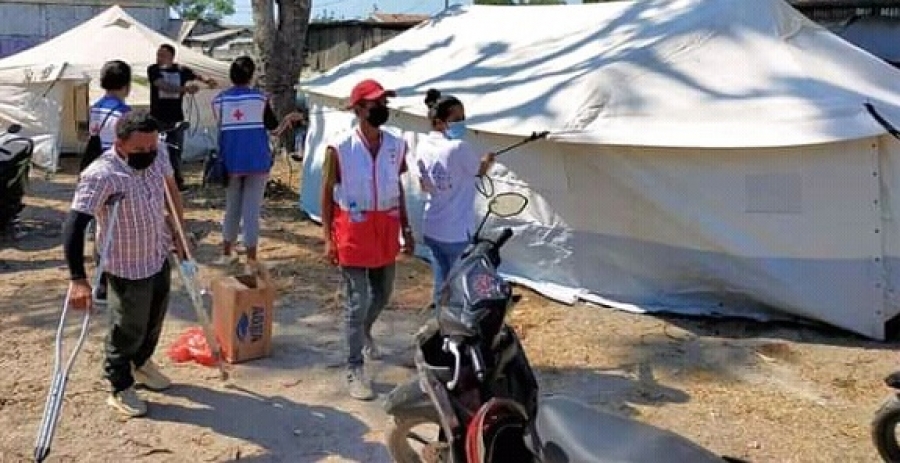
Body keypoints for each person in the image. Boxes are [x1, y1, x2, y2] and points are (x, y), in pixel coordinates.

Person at [62, 110, 186, 418]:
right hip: (124, 263)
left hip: (157, 252)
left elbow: (171, 192)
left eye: (151, 148)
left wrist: (180, 235)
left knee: (155, 316)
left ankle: (141, 363)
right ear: (120, 144)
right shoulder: (101, 174)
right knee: (127, 326)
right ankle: (119, 383)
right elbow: (75, 225)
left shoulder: (158, 157)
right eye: (139, 150)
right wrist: (77, 279)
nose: (147, 155)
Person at [320, 78, 415, 400]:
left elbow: (397, 187)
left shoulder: (395, 145)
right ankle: (354, 366)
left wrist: (407, 227)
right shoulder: (340, 147)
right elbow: (326, 192)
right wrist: (327, 237)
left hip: (386, 230)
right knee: (356, 301)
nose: (383, 109)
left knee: (383, 293)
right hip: (352, 231)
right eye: (376, 104)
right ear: (359, 109)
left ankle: (363, 331)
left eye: (385, 103)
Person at [212, 56, 302, 266]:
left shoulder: (219, 101)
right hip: (257, 162)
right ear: (252, 75)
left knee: (232, 207)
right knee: (251, 211)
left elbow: (224, 129)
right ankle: (251, 258)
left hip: (231, 162)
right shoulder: (260, 100)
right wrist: (288, 119)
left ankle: (227, 252)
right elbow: (274, 130)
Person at [416, 89, 496, 314]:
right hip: (455, 230)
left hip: (432, 225)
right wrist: (487, 161)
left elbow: (423, 183)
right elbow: (477, 171)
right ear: (440, 122)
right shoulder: (458, 147)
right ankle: (457, 328)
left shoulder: (422, 145)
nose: (462, 124)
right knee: (461, 287)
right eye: (457, 119)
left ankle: (439, 322)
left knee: (442, 282)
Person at [84, 60, 134, 305]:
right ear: (126, 85)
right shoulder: (125, 113)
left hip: (97, 170)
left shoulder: (95, 108)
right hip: (117, 172)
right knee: (115, 228)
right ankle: (110, 281)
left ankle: (100, 279)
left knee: (99, 227)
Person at [147, 44, 217, 191]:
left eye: (163, 55)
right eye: (158, 55)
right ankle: (155, 181)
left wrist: (207, 81)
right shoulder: (153, 69)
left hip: (175, 118)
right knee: (154, 150)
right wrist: (184, 89)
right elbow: (162, 85)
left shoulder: (181, 70)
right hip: (157, 118)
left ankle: (177, 182)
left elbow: (196, 75)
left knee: (175, 151)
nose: (159, 58)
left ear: (172, 57)